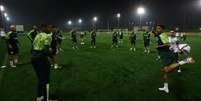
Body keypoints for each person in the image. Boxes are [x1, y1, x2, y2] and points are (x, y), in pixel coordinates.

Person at [154, 25, 195, 93]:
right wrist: (155, 33)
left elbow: (167, 44)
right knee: (163, 71)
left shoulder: (163, 35)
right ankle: (166, 87)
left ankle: (185, 61)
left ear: (162, 29)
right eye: (156, 28)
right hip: (165, 54)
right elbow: (158, 36)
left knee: (166, 70)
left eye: (158, 28)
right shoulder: (161, 34)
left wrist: (158, 46)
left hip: (166, 54)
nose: (157, 30)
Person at [31, 24, 55, 101]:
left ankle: (39, 96)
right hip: (41, 58)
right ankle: (47, 98)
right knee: (46, 79)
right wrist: (52, 57)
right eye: (50, 27)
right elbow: (46, 50)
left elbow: (32, 48)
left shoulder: (38, 35)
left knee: (41, 79)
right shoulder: (48, 36)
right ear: (45, 28)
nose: (51, 28)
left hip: (33, 58)